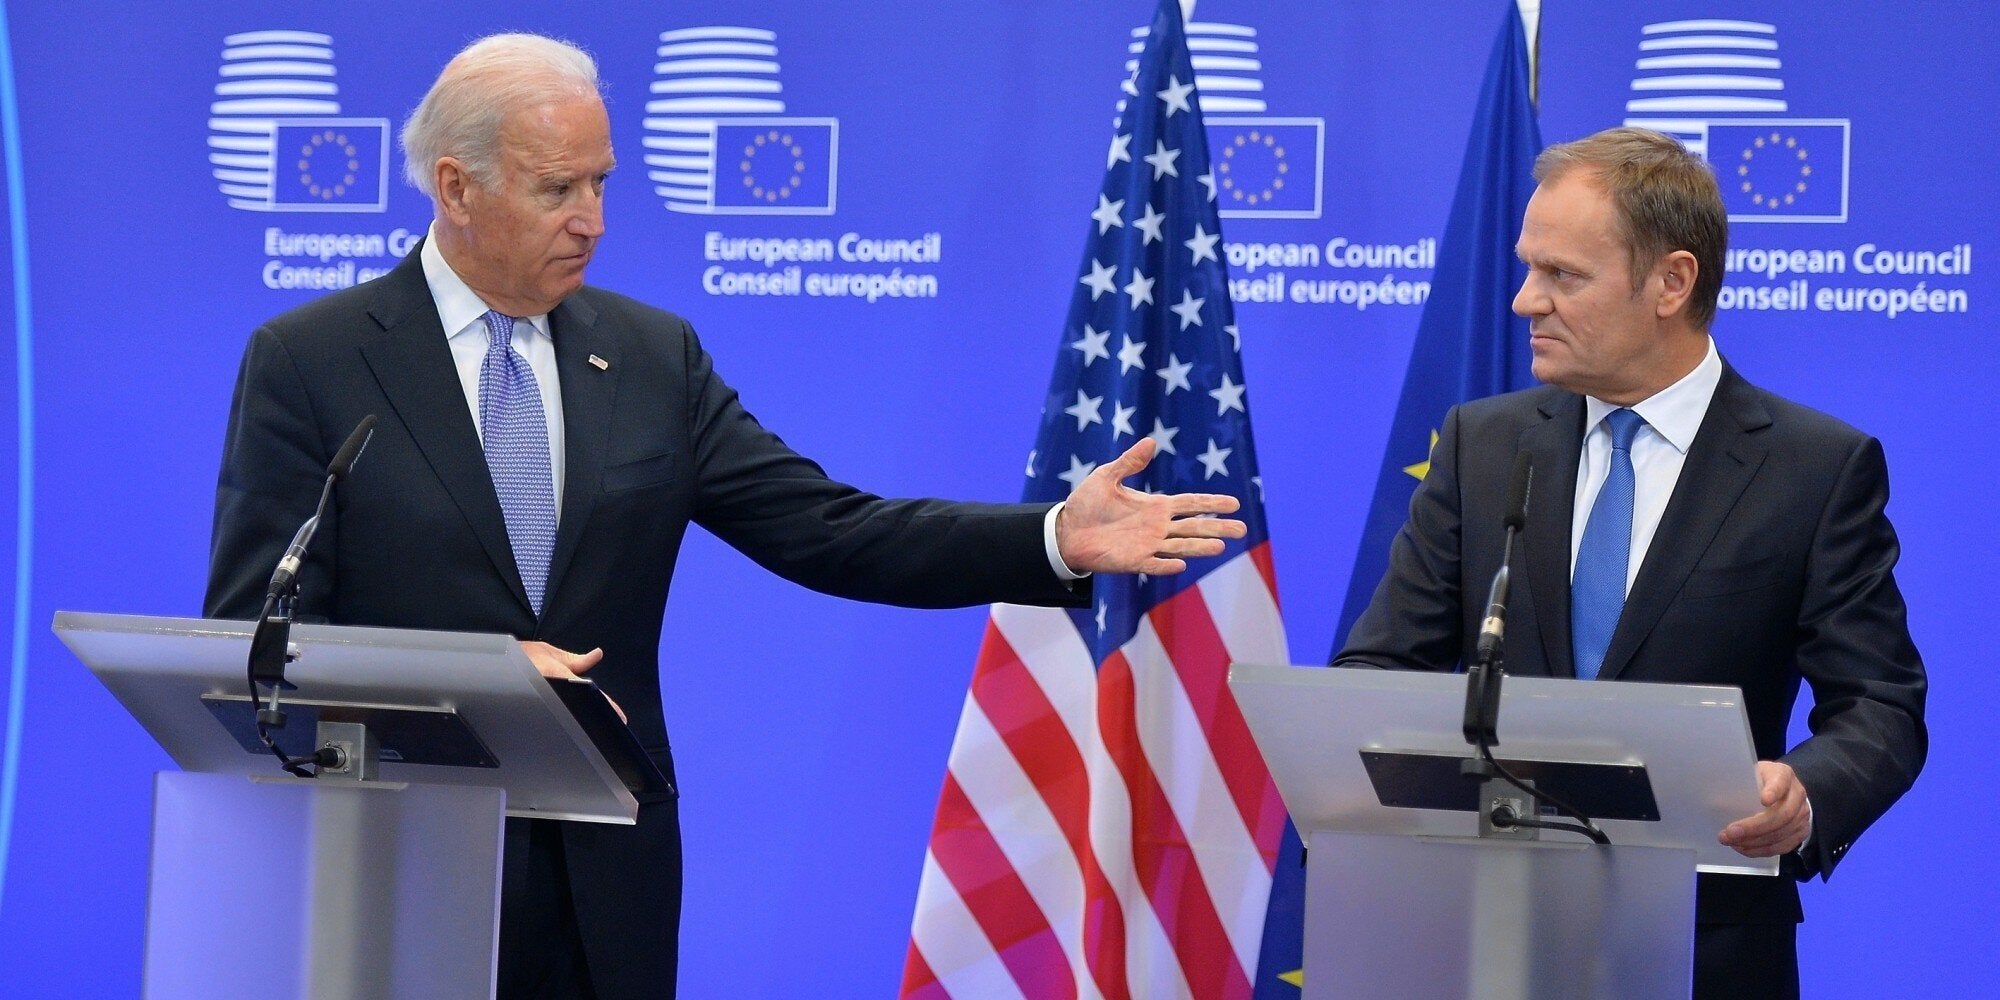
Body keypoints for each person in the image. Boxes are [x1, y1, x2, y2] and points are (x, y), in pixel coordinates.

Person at [204, 33, 1244, 1000]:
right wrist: (476, 678)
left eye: (602, 182)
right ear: (455, 188)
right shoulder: (314, 363)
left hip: (607, 878)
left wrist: (1052, 538)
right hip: (397, 869)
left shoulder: (650, 358)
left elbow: (832, 528)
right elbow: (259, 645)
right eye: (558, 188)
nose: (593, 220)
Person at [1333, 127, 1925, 998]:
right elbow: (1377, 672)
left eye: (1562, 275)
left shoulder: (1814, 468)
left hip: (1706, 946)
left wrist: (1803, 792)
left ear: (1671, 283)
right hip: (1485, 937)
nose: (1525, 301)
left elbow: (1880, 704)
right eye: (1528, 268)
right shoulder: (1482, 446)